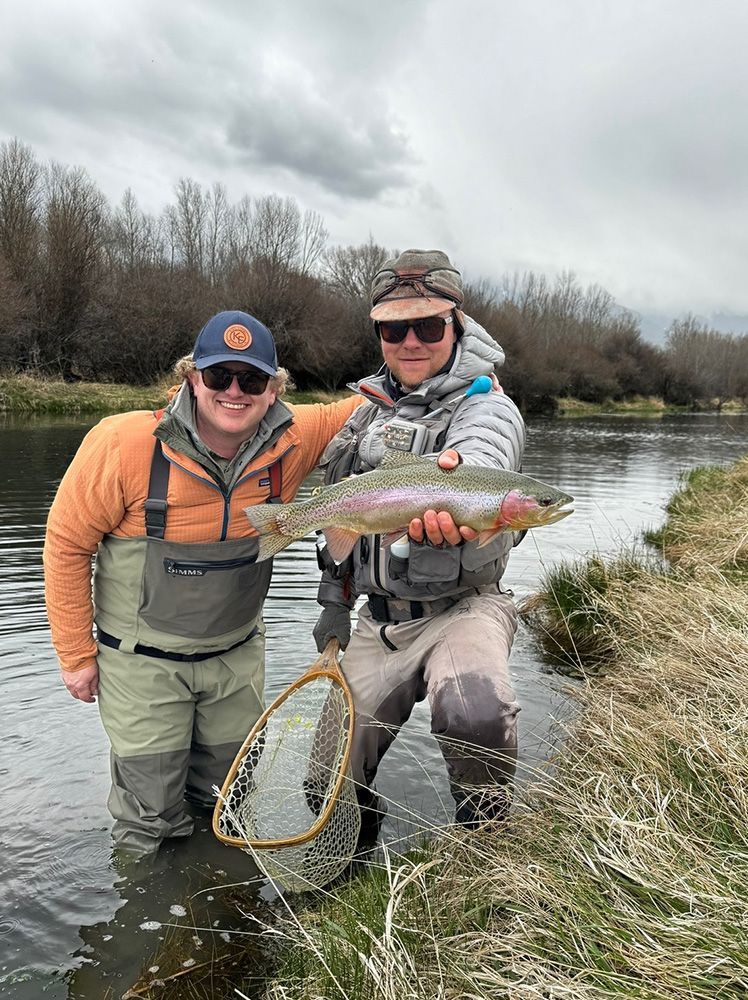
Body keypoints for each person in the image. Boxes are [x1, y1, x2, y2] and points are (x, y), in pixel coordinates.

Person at [43, 310, 365, 857]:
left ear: (274, 390)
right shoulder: (122, 444)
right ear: (192, 378)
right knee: (149, 821)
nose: (234, 392)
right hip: (140, 665)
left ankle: (222, 916)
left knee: (230, 804)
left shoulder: (294, 440)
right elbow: (66, 545)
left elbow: (387, 390)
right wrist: (75, 655)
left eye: (252, 380)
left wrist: (476, 378)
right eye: (219, 376)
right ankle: (147, 930)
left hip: (234, 661)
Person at [313, 249, 526, 836]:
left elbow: (486, 453)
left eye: (429, 326)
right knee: (324, 781)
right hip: (379, 622)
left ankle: (486, 861)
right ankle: (347, 875)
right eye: (394, 328)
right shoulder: (359, 418)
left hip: (466, 609)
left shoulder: (488, 405)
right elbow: (341, 528)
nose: (411, 341)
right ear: (379, 333)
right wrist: (334, 607)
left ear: (456, 325)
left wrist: (459, 479)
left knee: (476, 715)